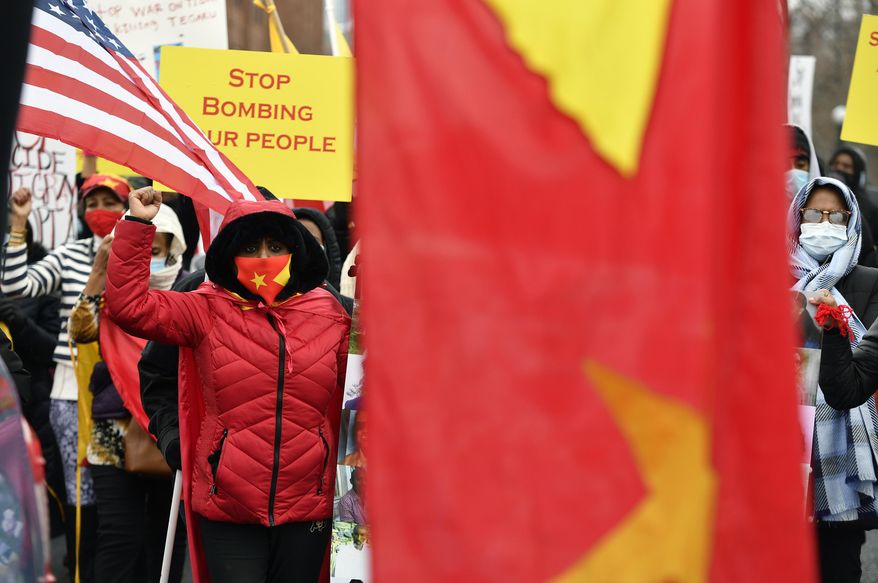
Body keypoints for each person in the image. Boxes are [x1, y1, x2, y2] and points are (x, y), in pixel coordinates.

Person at [105, 188, 351, 583]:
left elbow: (370, 383)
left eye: (276, 245)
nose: (265, 257)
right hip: (228, 503)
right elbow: (129, 308)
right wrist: (137, 224)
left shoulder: (333, 313)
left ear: (298, 251)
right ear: (229, 255)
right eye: (251, 247)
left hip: (309, 506)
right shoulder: (204, 308)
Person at [2, 175, 132, 582]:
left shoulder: (143, 255)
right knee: (81, 490)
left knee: (118, 493)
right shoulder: (69, 255)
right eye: (91, 203)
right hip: (70, 392)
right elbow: (14, 285)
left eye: (108, 201)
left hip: (125, 392)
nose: (98, 211)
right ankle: (79, 570)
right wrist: (19, 225)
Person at [68, 204, 188, 583]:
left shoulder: (192, 292)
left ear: (173, 249)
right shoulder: (113, 293)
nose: (147, 260)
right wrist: (101, 272)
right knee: (120, 539)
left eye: (154, 252)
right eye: (141, 251)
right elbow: (80, 330)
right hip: (113, 435)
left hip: (171, 432)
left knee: (166, 541)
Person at [789, 176, 878, 583]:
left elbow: (861, 374)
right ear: (796, 218)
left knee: (839, 566)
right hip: (782, 444)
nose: (823, 222)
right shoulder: (764, 275)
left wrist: (833, 324)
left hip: (840, 458)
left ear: (851, 220)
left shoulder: (867, 280)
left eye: (835, 215)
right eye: (813, 213)